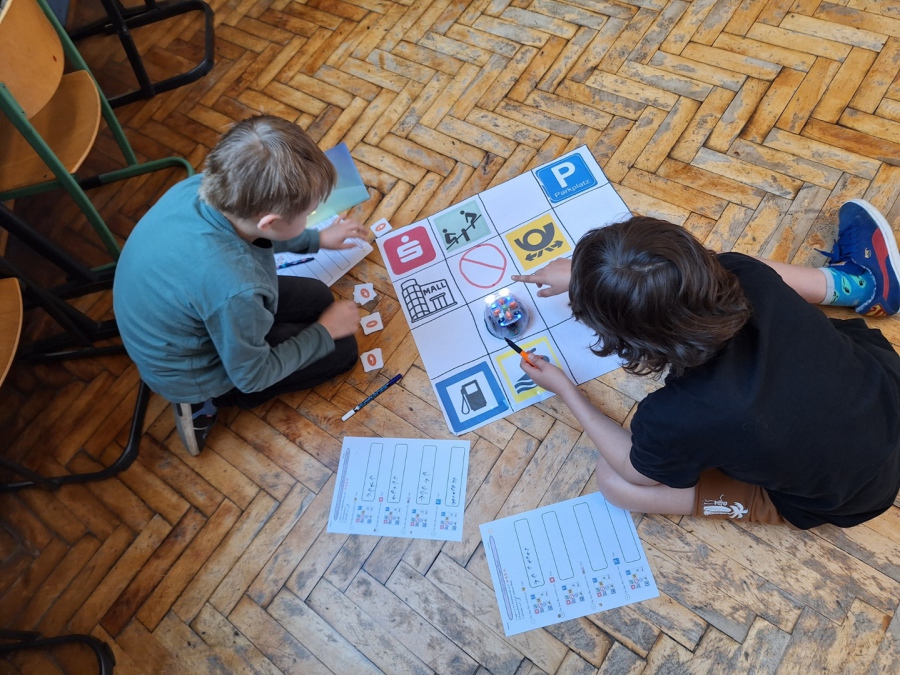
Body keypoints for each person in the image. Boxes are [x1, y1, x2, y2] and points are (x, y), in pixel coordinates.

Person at [511, 200, 900, 529]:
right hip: (889, 395)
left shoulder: (677, 416)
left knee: (614, 483)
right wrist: (590, 278)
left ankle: (757, 505)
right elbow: (674, 275)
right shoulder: (743, 272)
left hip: (855, 497)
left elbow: (634, 472)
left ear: (630, 340)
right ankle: (855, 283)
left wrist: (566, 390)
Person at [114, 116, 369, 455]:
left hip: (177, 314)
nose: (311, 218)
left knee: (319, 297)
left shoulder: (203, 188)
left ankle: (266, 337)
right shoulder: (237, 288)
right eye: (308, 215)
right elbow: (253, 376)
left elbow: (252, 234)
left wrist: (316, 239)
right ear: (270, 222)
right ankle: (204, 404)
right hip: (191, 372)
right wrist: (324, 332)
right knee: (342, 350)